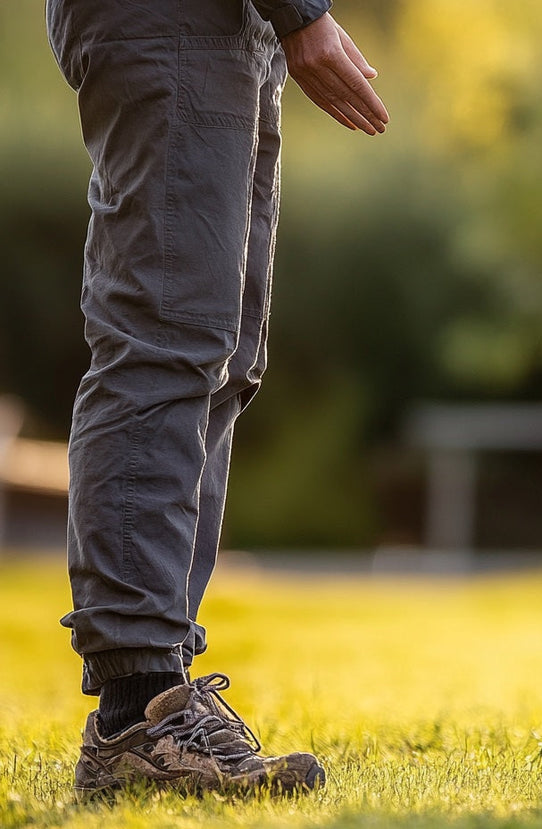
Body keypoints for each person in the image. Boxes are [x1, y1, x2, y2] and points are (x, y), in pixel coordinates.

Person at [46, 0, 389, 797]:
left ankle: (160, 694)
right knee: (164, 341)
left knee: (222, 357)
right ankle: (139, 707)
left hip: (238, 31)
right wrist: (302, 14)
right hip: (169, 17)